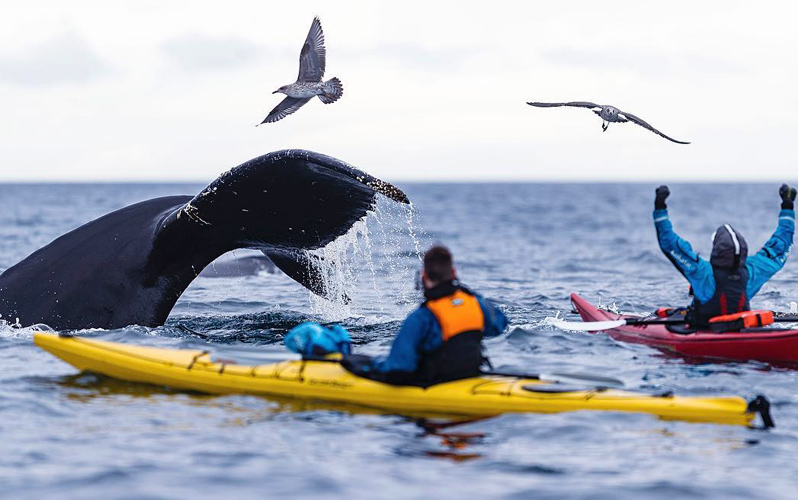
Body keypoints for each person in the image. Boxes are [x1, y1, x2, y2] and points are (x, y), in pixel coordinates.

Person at [356, 245, 509, 385]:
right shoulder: (476, 303)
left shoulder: (421, 317)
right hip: (471, 375)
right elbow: (500, 325)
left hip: (437, 383)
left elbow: (399, 368)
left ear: (424, 276)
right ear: (454, 273)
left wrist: (373, 364)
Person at [653, 184, 795, 328]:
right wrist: (788, 206)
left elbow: (670, 244)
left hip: (704, 333)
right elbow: (781, 245)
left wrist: (660, 208)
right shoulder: (752, 271)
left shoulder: (703, 273)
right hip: (741, 331)